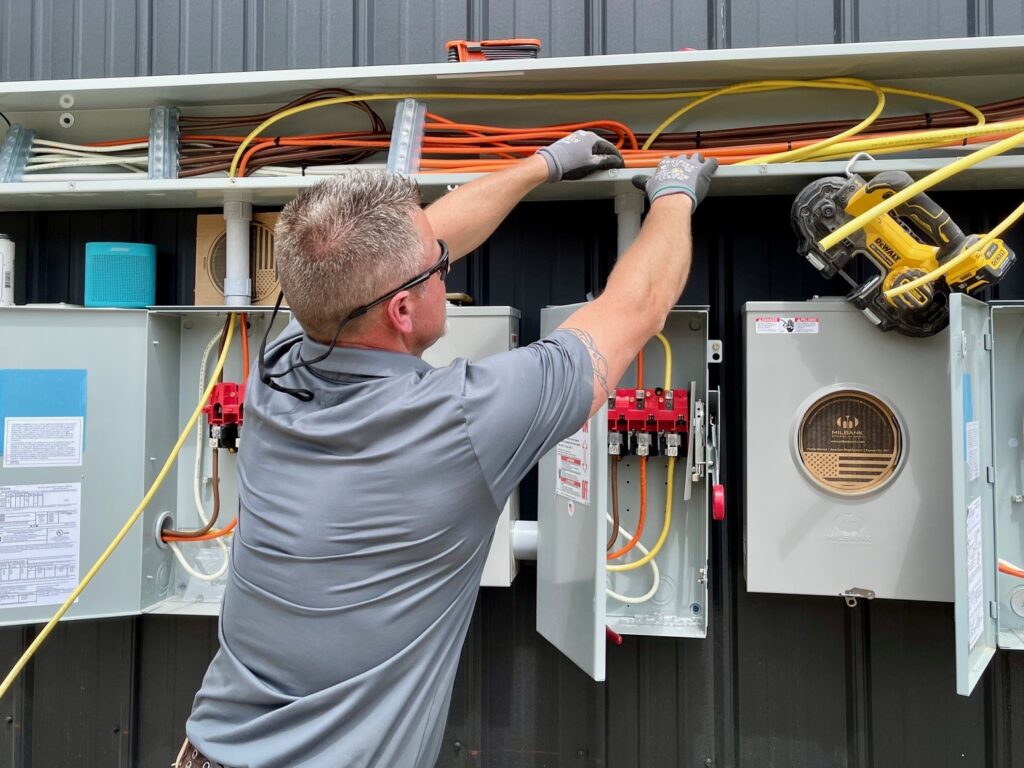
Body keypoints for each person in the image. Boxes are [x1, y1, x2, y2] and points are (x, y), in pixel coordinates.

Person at [175, 132, 717, 768]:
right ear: (402, 311)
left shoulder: (283, 359)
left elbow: (414, 242)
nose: (445, 262)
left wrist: (544, 166)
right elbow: (638, 306)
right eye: (440, 268)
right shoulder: (463, 422)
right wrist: (676, 195)